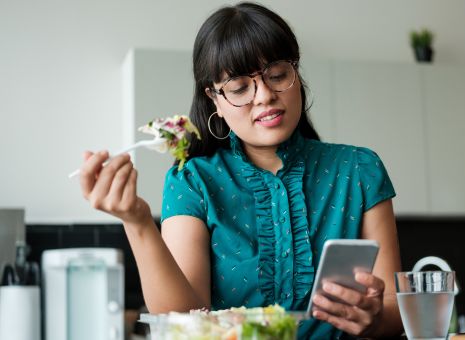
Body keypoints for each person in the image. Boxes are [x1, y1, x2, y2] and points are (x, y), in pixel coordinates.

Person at [78, 2, 402, 338]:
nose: (264, 96)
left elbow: (394, 310)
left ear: (297, 74)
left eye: (277, 75)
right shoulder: (193, 180)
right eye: (239, 88)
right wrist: (137, 221)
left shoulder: (360, 170)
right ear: (214, 99)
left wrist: (375, 318)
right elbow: (181, 318)